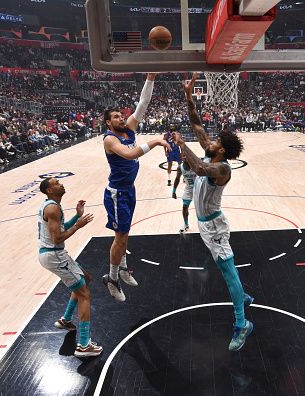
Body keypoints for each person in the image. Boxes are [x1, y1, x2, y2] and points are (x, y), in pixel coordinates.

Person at [172, 72, 253, 351]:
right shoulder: (210, 150)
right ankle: (242, 298)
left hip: (214, 226)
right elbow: (196, 123)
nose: (212, 139)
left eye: (217, 140)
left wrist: (182, 145)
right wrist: (188, 95)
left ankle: (242, 323)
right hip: (204, 224)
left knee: (228, 273)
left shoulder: (222, 168)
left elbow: (199, 169)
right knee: (224, 269)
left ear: (222, 149)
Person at [102, 73, 171, 302]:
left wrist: (150, 78)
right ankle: (112, 278)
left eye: (121, 115)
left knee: (125, 234)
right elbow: (130, 153)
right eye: (115, 117)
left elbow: (143, 103)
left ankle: (122, 268)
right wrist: (156, 141)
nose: (121, 118)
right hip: (116, 193)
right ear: (107, 122)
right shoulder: (110, 139)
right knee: (119, 236)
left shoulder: (129, 128)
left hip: (129, 190)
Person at [38, 177, 102, 356]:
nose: (61, 184)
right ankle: (83, 344)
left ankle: (66, 320)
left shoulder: (52, 206)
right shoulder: (52, 208)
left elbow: (60, 227)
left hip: (53, 254)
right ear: (49, 191)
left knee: (85, 279)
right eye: (56, 183)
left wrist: (77, 216)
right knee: (85, 294)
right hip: (55, 255)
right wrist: (78, 226)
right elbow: (57, 238)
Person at [172, 153, 195, 233]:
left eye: (186, 155)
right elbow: (177, 179)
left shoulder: (195, 165)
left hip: (199, 188)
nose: (185, 157)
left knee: (203, 207)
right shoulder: (180, 167)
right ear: (181, 158)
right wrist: (174, 191)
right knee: (185, 207)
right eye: (183, 156)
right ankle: (186, 224)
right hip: (189, 188)